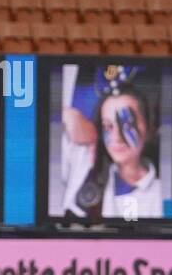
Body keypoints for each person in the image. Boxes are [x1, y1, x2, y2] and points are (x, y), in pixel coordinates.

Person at [59, 65, 164, 220]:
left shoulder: (162, 192)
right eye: (108, 126)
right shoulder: (83, 161)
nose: (117, 137)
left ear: (149, 128)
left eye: (127, 125)